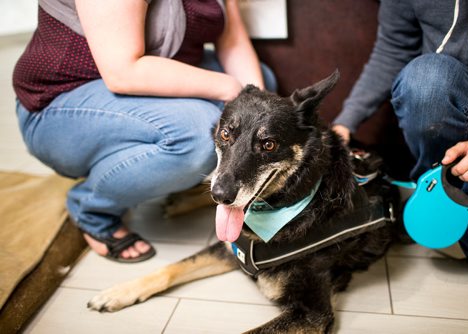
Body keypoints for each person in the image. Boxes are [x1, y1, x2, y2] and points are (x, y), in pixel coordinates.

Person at [13, 0, 276, 263]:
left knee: (259, 91)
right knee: (197, 135)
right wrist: (229, 88)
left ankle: (167, 175)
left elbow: (232, 40)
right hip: (61, 101)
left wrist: (256, 102)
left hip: (148, 74)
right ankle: (91, 208)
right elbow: (123, 72)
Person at [332, 0, 468, 286]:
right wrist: (344, 123)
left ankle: (461, 214)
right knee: (427, 80)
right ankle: (440, 193)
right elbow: (393, 49)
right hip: (446, 100)